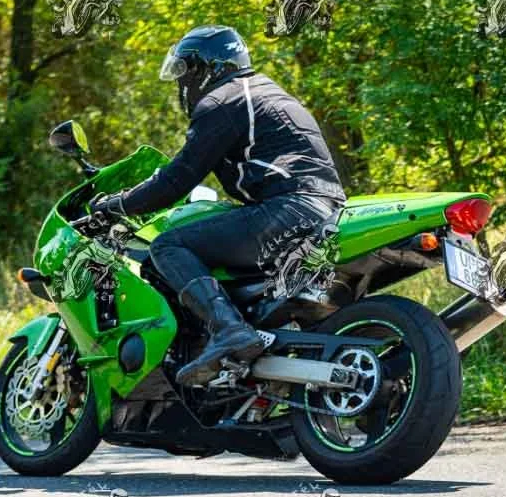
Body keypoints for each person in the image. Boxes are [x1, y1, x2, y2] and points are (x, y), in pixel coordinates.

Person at [88, 25, 347, 385]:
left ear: (206, 68)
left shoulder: (223, 101)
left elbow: (176, 180)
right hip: (327, 209)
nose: (182, 83)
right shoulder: (268, 92)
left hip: (288, 210)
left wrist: (115, 204)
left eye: (185, 72)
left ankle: (228, 329)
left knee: (169, 245)